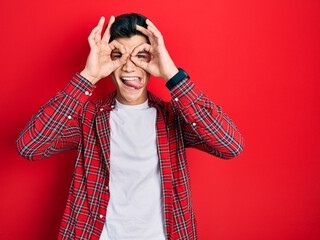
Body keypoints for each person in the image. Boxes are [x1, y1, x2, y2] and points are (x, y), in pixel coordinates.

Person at [16, 13, 244, 240]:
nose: (128, 67)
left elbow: (229, 145)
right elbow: (30, 146)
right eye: (119, 55)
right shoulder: (89, 118)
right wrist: (88, 77)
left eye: (140, 55)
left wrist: (172, 75)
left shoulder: (173, 117)